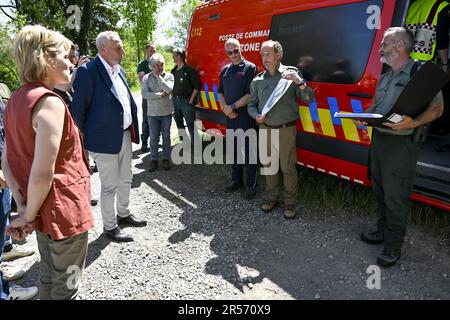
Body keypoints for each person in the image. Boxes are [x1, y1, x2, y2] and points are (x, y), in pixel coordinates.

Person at [2, 25, 95, 299]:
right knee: (67, 287)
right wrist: (26, 216)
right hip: (65, 213)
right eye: (66, 55)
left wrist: (24, 209)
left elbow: (7, 160)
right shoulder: (50, 103)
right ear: (46, 57)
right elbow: (43, 172)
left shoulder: (16, 100)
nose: (71, 61)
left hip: (40, 211)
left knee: (47, 276)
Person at [356, 27, 444, 267]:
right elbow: (377, 104)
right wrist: (365, 115)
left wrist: (413, 122)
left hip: (402, 144)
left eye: (384, 44)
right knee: (380, 191)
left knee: (396, 197)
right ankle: (382, 231)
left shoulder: (420, 73)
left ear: (399, 46)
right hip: (380, 140)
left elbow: (437, 108)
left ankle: (393, 246)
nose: (381, 48)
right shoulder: (385, 76)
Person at [71, 31, 147, 243]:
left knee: (126, 178)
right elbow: (78, 111)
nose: (122, 50)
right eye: (118, 47)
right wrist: (92, 133)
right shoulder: (88, 71)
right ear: (102, 49)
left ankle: (123, 214)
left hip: (123, 135)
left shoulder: (118, 69)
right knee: (109, 185)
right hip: (103, 141)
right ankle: (110, 227)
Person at [248, 40, 315, 219]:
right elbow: (251, 105)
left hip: (286, 130)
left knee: (288, 167)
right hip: (265, 128)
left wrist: (300, 82)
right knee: (269, 166)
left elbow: (309, 98)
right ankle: (271, 198)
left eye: (268, 54)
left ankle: (290, 202)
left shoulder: (291, 74)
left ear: (279, 55)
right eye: (262, 54)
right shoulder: (257, 80)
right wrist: (255, 115)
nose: (265, 58)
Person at [218, 38, 258, 200]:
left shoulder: (249, 68)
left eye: (236, 51)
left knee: (249, 151)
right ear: (226, 53)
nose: (233, 55)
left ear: (240, 49)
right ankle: (236, 180)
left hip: (245, 115)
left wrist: (233, 107)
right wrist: (226, 110)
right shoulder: (225, 70)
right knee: (234, 149)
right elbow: (220, 92)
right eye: (230, 52)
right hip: (230, 116)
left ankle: (250, 185)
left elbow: (250, 94)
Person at [141, 53, 174, 172]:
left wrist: (159, 77)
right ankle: (153, 160)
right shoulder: (146, 78)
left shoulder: (169, 76)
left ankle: (165, 159)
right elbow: (145, 94)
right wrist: (160, 95)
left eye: (162, 64)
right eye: (157, 65)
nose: (160, 67)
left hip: (166, 112)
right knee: (154, 138)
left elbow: (169, 89)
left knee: (166, 137)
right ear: (152, 66)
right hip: (152, 114)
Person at [171, 48, 201, 147]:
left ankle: (196, 147)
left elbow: (197, 86)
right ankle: (185, 144)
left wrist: (191, 100)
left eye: (174, 55)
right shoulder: (173, 70)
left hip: (186, 101)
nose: (172, 57)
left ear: (179, 56)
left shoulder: (189, 70)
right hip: (175, 101)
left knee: (191, 125)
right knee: (179, 124)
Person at [137, 43, 156, 152]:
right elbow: (142, 79)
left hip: (158, 97)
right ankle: (144, 142)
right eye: (150, 51)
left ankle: (156, 141)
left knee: (158, 118)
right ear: (146, 52)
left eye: (154, 51)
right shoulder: (142, 64)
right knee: (146, 120)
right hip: (147, 97)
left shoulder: (158, 62)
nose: (152, 53)